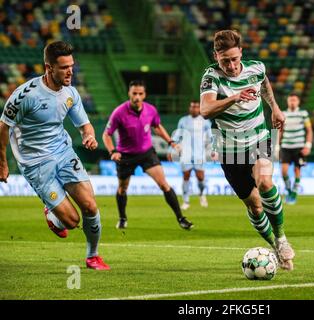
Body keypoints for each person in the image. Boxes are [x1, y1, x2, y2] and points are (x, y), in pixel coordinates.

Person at [0, 41, 110, 270]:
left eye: (72, 65)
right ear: (49, 68)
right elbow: (3, 127)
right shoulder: (25, 95)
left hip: (63, 152)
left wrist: (89, 136)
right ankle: (52, 214)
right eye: (64, 67)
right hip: (36, 164)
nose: (70, 71)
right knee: (71, 221)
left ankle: (93, 256)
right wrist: (2, 163)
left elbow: (85, 126)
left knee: (90, 206)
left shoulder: (71, 93)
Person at [200, 30, 295, 270]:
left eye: (234, 58)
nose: (231, 65)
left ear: (241, 52)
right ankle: (274, 245)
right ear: (216, 56)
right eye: (225, 61)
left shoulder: (256, 68)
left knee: (264, 182)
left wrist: (274, 107)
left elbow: (264, 84)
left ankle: (282, 238)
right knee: (255, 206)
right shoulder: (211, 77)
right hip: (229, 151)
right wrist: (234, 98)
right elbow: (205, 109)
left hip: (258, 139)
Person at [102, 80, 194, 230]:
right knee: (122, 189)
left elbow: (157, 127)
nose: (137, 97)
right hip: (125, 156)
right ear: (129, 94)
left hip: (146, 153)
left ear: (144, 95)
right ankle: (122, 218)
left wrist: (172, 142)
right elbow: (106, 135)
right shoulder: (119, 112)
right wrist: (113, 151)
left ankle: (181, 218)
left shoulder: (151, 110)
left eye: (140, 93)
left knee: (164, 184)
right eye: (134, 93)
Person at [167, 101, 213, 210]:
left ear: (200, 108)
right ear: (190, 108)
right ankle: (186, 201)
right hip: (186, 154)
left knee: (200, 177)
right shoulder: (183, 121)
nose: (194, 109)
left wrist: (214, 150)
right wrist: (170, 150)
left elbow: (211, 137)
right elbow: (177, 136)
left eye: (197, 107)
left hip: (199, 154)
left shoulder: (205, 121)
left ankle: (202, 194)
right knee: (186, 176)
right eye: (192, 107)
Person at [277, 93, 313, 205]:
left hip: (299, 147)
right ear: (288, 102)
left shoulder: (303, 114)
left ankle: (294, 195)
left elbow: (309, 130)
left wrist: (308, 145)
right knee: (283, 171)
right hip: (286, 147)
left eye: (294, 100)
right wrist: (277, 146)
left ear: (298, 102)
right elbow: (280, 130)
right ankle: (289, 191)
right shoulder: (283, 114)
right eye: (290, 100)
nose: (292, 102)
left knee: (297, 170)